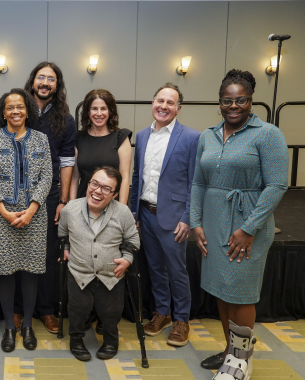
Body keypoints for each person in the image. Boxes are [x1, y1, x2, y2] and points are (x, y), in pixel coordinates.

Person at [191, 69, 288, 380]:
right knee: (222, 290)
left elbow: (276, 185)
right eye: (227, 100)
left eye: (241, 100)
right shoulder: (207, 135)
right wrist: (196, 222)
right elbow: (197, 183)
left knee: (241, 292)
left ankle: (241, 361)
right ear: (219, 103)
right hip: (214, 223)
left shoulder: (267, 133)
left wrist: (249, 228)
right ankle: (232, 350)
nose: (233, 106)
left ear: (250, 101)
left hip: (248, 226)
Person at [0, 88, 52, 352]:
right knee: (5, 272)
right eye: (10, 107)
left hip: (34, 216)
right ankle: (10, 328)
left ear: (28, 110)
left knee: (32, 272)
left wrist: (32, 209)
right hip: (2, 218)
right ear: (3, 112)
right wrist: (4, 211)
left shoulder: (41, 140)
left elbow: (47, 177)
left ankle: (27, 327)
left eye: (20, 107)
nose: (15, 111)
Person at [131, 82, 200, 347]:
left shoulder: (191, 137)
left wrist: (188, 217)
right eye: (160, 101)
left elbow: (195, 182)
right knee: (155, 268)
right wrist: (134, 213)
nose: (164, 106)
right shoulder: (142, 136)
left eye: (170, 103)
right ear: (152, 103)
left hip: (174, 218)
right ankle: (163, 312)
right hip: (146, 214)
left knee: (176, 270)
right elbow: (137, 177)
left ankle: (182, 319)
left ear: (178, 108)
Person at [59, 166, 139, 361]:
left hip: (111, 275)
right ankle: (76, 340)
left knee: (111, 312)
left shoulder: (123, 212)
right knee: (77, 310)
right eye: (95, 183)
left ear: (115, 194)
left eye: (106, 188)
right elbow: (63, 233)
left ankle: (111, 341)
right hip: (79, 273)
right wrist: (65, 248)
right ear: (88, 183)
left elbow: (133, 239)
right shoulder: (70, 209)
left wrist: (127, 259)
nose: (97, 191)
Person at [21, 61, 76, 334]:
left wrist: (63, 201)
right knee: (18, 250)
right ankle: (21, 309)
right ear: (33, 81)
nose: (45, 82)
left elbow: (67, 162)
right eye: (41, 77)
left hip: (52, 195)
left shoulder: (65, 119)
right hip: (16, 193)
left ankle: (46, 310)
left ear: (57, 85)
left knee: (46, 254)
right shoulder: (19, 110)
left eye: (51, 79)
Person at [71, 89, 132, 205]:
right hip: (83, 205)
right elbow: (74, 178)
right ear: (88, 112)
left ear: (110, 111)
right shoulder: (78, 138)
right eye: (94, 109)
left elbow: (124, 178)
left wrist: (122, 210)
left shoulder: (121, 137)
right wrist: (71, 208)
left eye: (103, 108)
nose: (99, 113)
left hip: (112, 206)